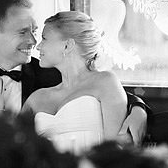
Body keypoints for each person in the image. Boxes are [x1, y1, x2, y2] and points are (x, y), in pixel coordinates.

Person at [0, 0, 149, 146]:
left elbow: (107, 91)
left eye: (36, 32)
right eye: (23, 32)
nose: (33, 42)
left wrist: (139, 109)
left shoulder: (51, 70)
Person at [19, 11, 126, 154]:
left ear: (68, 45)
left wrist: (139, 109)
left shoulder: (105, 82)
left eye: (44, 38)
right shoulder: (36, 98)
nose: (38, 46)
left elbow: (115, 150)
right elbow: (13, 150)